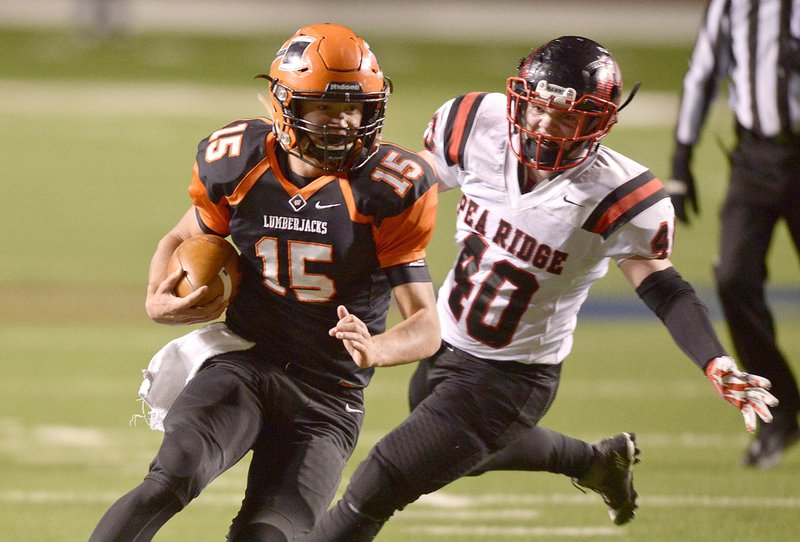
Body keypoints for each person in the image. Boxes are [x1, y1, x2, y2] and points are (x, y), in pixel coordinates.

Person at [300, 36, 779, 541]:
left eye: (567, 117)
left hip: (515, 374)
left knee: (381, 479)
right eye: (538, 110)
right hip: (445, 340)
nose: (546, 126)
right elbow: (407, 190)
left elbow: (664, 286)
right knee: (464, 452)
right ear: (518, 101)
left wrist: (713, 359)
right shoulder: (476, 127)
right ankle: (596, 463)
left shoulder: (618, 194)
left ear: (597, 123)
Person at [89, 23, 440, 542]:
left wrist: (378, 348)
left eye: (355, 108)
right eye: (323, 107)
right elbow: (183, 236)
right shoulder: (239, 160)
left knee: (270, 535)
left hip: (329, 392)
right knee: (173, 477)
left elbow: (426, 325)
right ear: (284, 104)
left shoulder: (390, 187)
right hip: (245, 359)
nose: (342, 123)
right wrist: (156, 297)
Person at [667, 0, 800, 469]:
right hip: (756, 159)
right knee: (734, 278)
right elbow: (703, 70)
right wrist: (681, 160)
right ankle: (780, 412)